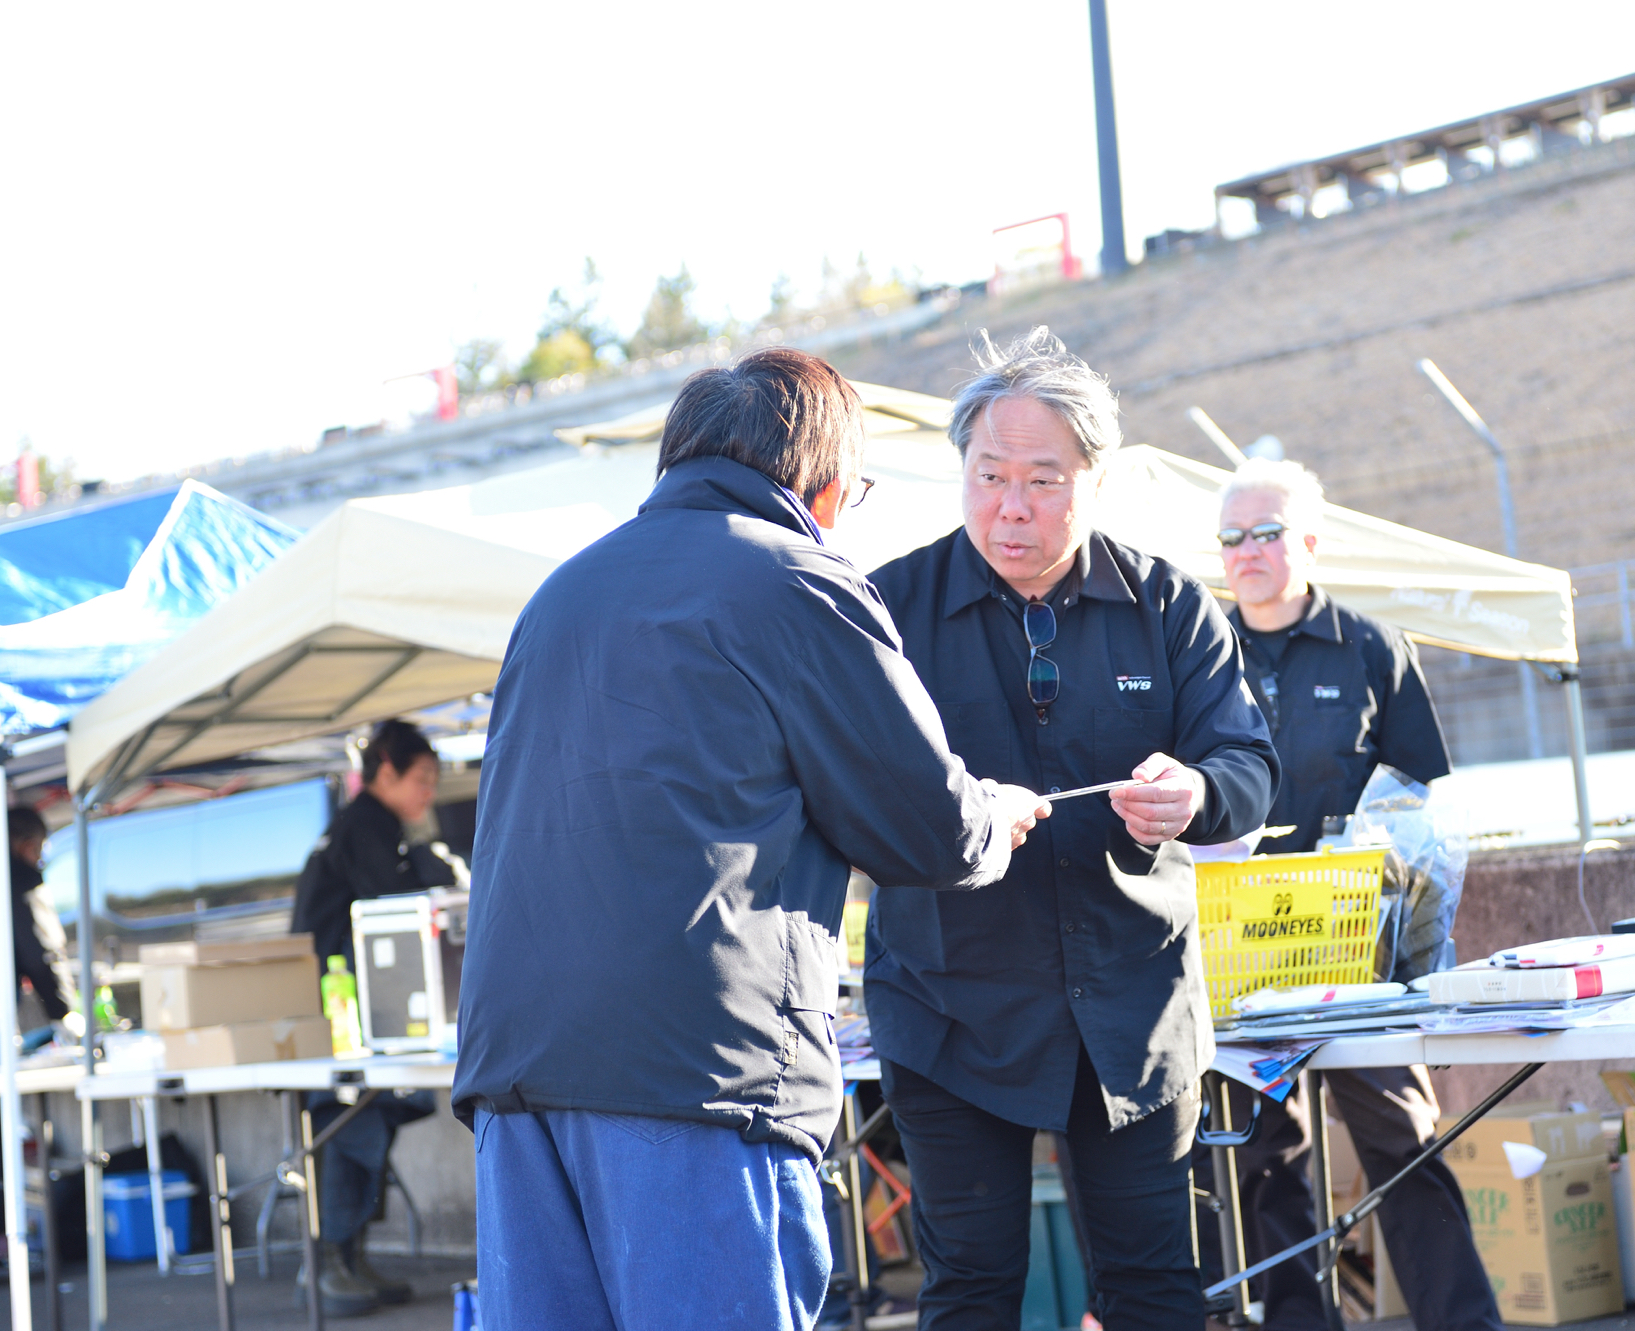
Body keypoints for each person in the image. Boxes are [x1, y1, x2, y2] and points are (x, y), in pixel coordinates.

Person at [451, 346, 1049, 1331]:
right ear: (826, 485)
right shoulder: (795, 578)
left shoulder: (562, 592)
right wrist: (996, 813)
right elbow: (925, 824)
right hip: (697, 1067)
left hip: (516, 1067)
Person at [865, 327, 1280, 1329]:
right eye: (989, 475)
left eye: (1042, 480)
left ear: (1096, 478)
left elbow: (1248, 762)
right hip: (950, 1006)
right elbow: (852, 791)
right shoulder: (888, 607)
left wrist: (1197, 791)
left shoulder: (1167, 603)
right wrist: (962, 816)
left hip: (1131, 1000)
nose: (1010, 506)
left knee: (1153, 1285)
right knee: (970, 1287)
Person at [1204, 459, 1499, 1331]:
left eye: (1266, 532)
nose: (1247, 551)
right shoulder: (1200, 654)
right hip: (1242, 951)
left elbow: (1421, 811)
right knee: (1265, 1159)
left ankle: (1464, 1323)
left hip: (1357, 950)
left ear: (1309, 540)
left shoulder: (1371, 647)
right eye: (1231, 537)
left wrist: (1415, 956)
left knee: (1404, 1144)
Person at [288, 718, 458, 1316]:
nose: (428, 792)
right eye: (422, 778)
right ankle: (329, 1265)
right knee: (351, 1126)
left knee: (368, 1121)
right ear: (386, 771)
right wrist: (433, 869)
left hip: (350, 1010)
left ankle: (350, 1258)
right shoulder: (365, 826)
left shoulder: (367, 825)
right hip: (338, 1010)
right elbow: (397, 903)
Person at [6, 806, 69, 1028]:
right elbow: (35, 952)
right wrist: (61, 1013)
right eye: (38, 850)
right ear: (27, 845)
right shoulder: (16, 884)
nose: (39, 859)